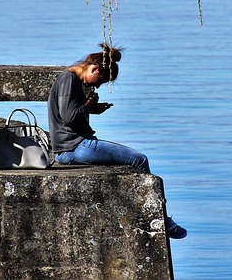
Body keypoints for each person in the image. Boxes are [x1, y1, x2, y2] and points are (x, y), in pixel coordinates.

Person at [47, 43, 187, 239]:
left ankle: (155, 215)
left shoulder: (72, 81)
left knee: (136, 161)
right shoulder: (68, 79)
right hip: (72, 147)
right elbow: (70, 117)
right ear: (94, 68)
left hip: (72, 145)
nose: (97, 86)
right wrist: (88, 104)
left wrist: (93, 108)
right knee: (139, 160)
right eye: (100, 81)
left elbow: (69, 116)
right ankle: (161, 219)